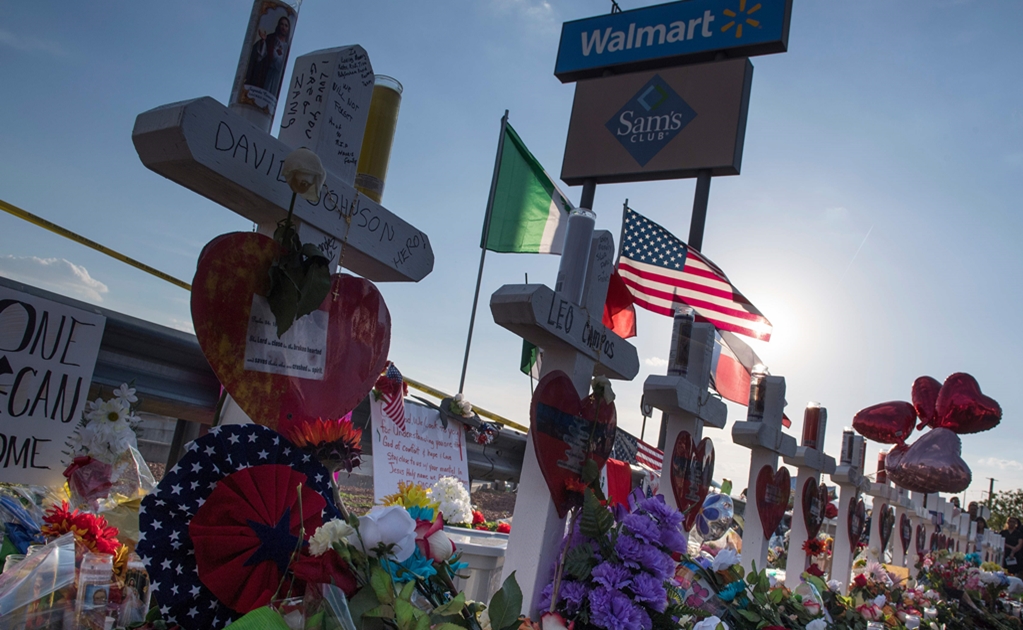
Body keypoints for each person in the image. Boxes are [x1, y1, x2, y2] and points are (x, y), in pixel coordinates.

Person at [244, 15, 291, 95]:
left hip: (276, 78)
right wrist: (263, 42)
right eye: (282, 24)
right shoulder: (271, 39)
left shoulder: (287, 46)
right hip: (266, 75)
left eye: (286, 25)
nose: (283, 27)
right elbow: (260, 56)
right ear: (278, 26)